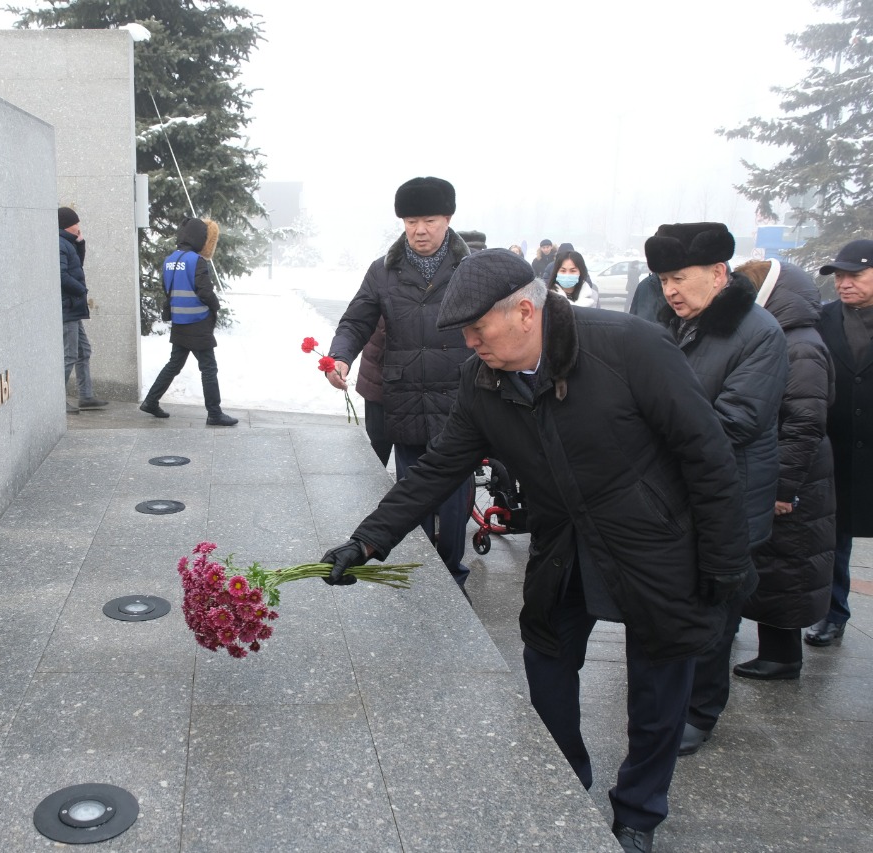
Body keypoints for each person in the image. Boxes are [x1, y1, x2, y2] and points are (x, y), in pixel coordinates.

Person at [320, 248, 753, 853]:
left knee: (658, 680)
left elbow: (708, 456)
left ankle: (638, 813)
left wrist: (726, 561)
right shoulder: (483, 379)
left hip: (652, 539)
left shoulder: (632, 347)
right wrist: (367, 539)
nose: (470, 344)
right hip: (563, 537)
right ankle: (565, 778)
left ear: (525, 312)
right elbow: (440, 467)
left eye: (477, 329)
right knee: (546, 657)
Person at [644, 222, 789, 756]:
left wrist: (651, 428)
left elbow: (735, 423)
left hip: (731, 500)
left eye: (679, 278)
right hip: (676, 495)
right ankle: (674, 696)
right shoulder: (671, 325)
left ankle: (702, 710)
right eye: (663, 281)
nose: (671, 292)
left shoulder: (759, 334)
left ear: (719, 273)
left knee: (716, 613)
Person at [324, 177, 475, 586]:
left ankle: (453, 575)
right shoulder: (384, 270)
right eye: (411, 221)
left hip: (458, 398)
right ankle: (420, 575)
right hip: (405, 396)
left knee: (457, 499)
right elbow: (356, 320)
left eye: (429, 220)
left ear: (448, 218)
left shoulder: (471, 267)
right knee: (411, 495)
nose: (419, 230)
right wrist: (340, 357)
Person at [731, 258, 835, 679]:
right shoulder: (781, 336)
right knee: (776, 560)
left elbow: (805, 421)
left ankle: (782, 655)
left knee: (788, 562)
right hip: (781, 464)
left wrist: (783, 486)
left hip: (795, 471)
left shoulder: (799, 344)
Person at [809, 238, 873, 646]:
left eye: (856, 275)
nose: (845, 284)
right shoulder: (822, 319)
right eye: (840, 277)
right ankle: (833, 613)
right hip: (837, 447)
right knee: (834, 539)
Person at [140, 217, 238, 426]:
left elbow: (168, 289)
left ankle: (151, 401)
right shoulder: (196, 261)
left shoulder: (170, 260)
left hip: (180, 321)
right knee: (209, 368)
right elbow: (204, 291)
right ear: (198, 239)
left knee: (174, 364)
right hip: (198, 321)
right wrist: (215, 305)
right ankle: (214, 413)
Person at [59, 207, 107, 413]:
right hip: (67, 308)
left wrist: (81, 244)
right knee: (70, 355)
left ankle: (85, 397)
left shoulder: (68, 243)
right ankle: (56, 400)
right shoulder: (59, 244)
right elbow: (61, 275)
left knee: (83, 351)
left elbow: (77, 266)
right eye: (76, 223)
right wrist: (81, 290)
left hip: (73, 307)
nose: (79, 226)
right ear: (68, 224)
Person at [354, 320, 393, 467]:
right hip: (378, 375)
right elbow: (355, 323)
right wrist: (341, 356)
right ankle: (372, 485)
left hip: (419, 378)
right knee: (379, 441)